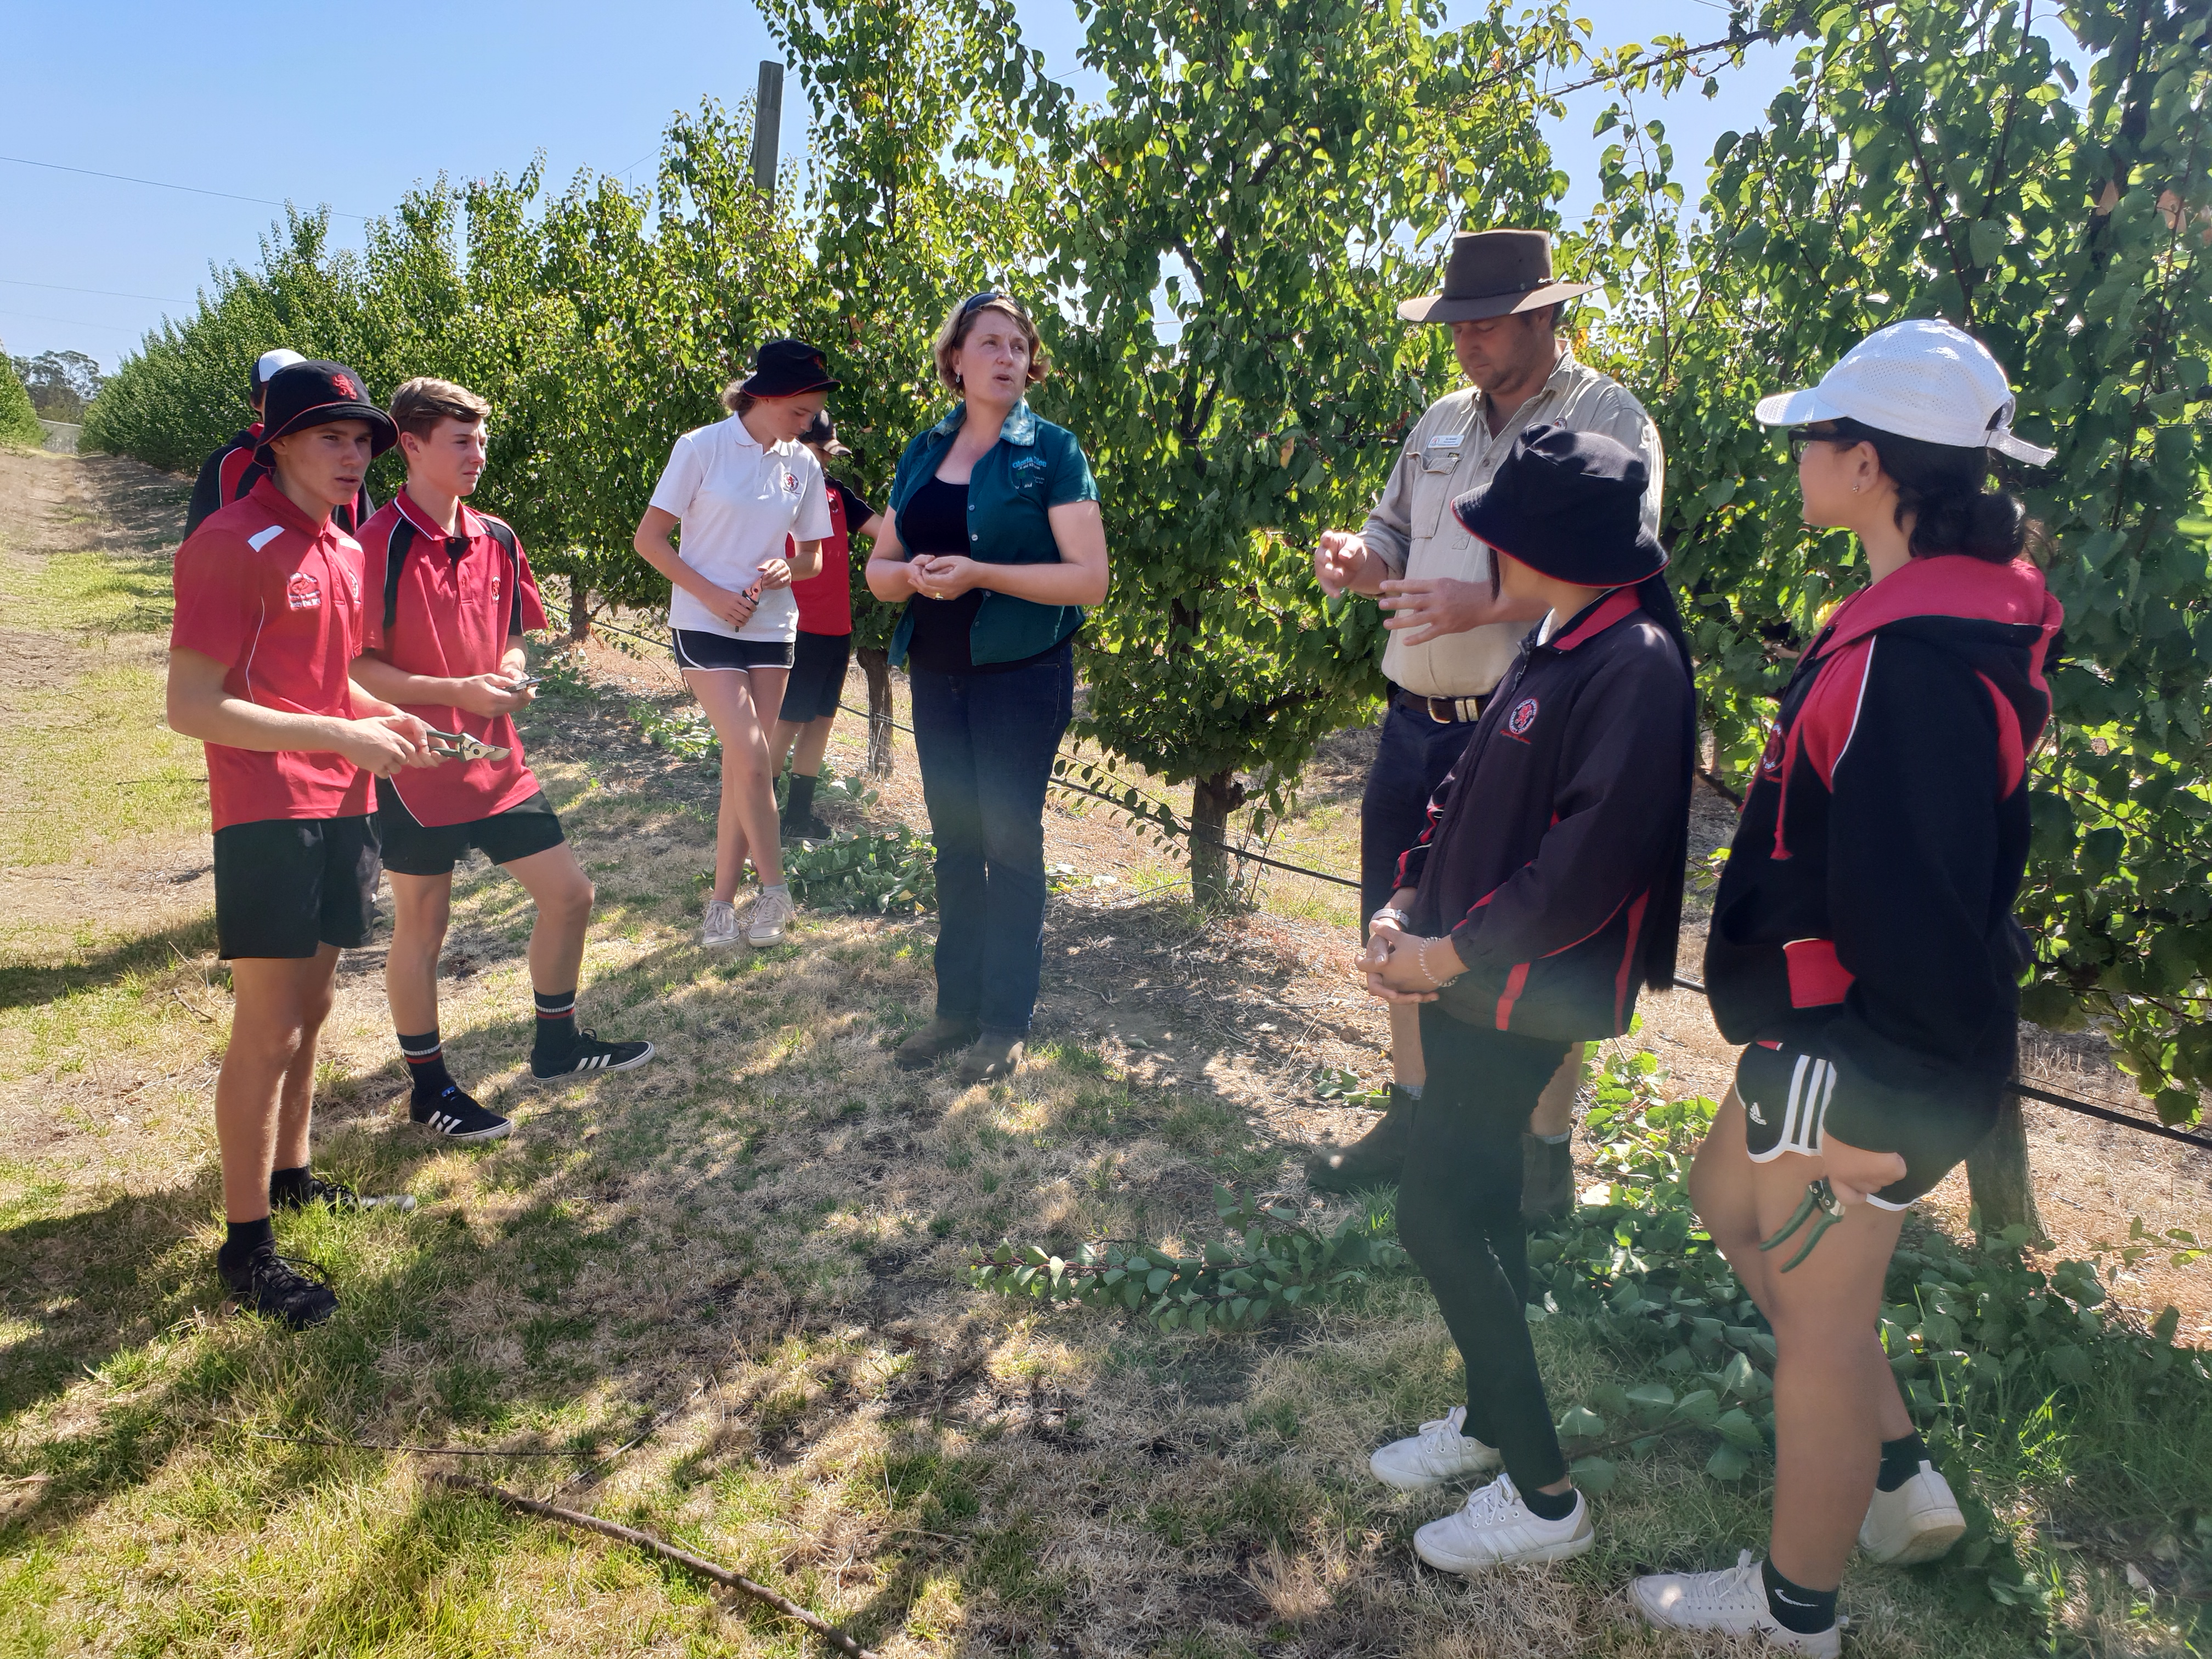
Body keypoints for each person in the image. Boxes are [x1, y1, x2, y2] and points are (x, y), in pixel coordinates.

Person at [1630, 320, 2061, 1657]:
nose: (1797, 453)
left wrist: (1891, 1096)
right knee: (1722, 1200)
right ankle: (1893, 1476)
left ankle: (1792, 1612)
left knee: (1823, 1328)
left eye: (1814, 436)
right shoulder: (1916, 617)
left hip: (1862, 1047)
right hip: (1828, 1027)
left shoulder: (1910, 666)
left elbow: (1917, 900)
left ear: (1868, 465)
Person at [1359, 425, 1695, 1572]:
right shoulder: (1560, 641)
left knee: (1433, 1215)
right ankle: (1494, 1423)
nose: (1480, 547)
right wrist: (1407, 901)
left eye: (1498, 530)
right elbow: (1463, 796)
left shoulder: (1635, 664)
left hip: (1519, 998)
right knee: (1486, 1197)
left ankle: (1546, 1495)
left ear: (1549, 544)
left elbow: (1582, 873)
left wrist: (1447, 961)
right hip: (1473, 984)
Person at [1304, 228, 1665, 1220]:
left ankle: (1539, 1149)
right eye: (1454, 322)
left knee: (1528, 944)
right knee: (1400, 913)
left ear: (1547, 317)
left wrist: (1482, 608)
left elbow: (1617, 564)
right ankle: (1415, 1114)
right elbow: (1390, 532)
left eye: (1486, 321)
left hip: (1525, 728)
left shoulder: (1605, 416)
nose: (1463, 340)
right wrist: (1361, 562)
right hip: (1415, 716)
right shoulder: (1439, 422)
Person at [166, 360, 440, 1329]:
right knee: (269, 1023)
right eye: (330, 436)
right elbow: (190, 704)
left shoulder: (343, 547)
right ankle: (246, 1247)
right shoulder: (229, 544)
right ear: (275, 442)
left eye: (363, 438)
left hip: (342, 802)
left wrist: (396, 721)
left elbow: (329, 684)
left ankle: (292, 1176)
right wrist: (341, 734)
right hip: (268, 810)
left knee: (315, 1006)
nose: (353, 455)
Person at [353, 377, 653, 1144]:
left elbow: (514, 628)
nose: (478, 454)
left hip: (497, 761)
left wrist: (512, 671)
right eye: (461, 441)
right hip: (415, 767)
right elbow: (356, 670)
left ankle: (557, 1047)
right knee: (424, 925)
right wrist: (454, 689)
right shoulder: (373, 544)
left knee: (571, 896)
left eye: (481, 439)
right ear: (412, 446)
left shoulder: (499, 537)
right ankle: (430, 1088)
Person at [865, 292, 1109, 1085]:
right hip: (939, 678)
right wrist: (909, 574)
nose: (1008, 356)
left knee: (1009, 847)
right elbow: (880, 572)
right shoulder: (923, 450)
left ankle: (1005, 1021)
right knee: (954, 843)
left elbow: (1090, 579)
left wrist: (978, 574)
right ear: (956, 360)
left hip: (1020, 679)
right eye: (991, 343)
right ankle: (954, 1010)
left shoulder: (1053, 453)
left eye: (1019, 345)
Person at [633, 340, 834, 948]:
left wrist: (785, 569)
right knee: (751, 758)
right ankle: (776, 892)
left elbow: (813, 559)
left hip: (772, 626)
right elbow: (650, 540)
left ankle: (721, 905)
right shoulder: (700, 447)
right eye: (800, 412)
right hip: (704, 621)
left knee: (743, 769)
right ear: (765, 396)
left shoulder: (804, 463)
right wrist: (713, 596)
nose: (809, 426)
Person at [769, 411, 883, 842]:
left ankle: (798, 816)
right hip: (799, 627)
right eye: (821, 452)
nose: (827, 463)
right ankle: (760, 814)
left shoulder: (838, 494)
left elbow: (887, 532)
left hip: (838, 630)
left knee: (820, 722)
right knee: (786, 722)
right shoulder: (779, 491)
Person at [185, 348, 375, 538]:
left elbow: (363, 539)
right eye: (276, 394)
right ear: (255, 402)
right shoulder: (227, 463)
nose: (288, 404)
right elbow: (202, 539)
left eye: (300, 394)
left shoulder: (344, 465)